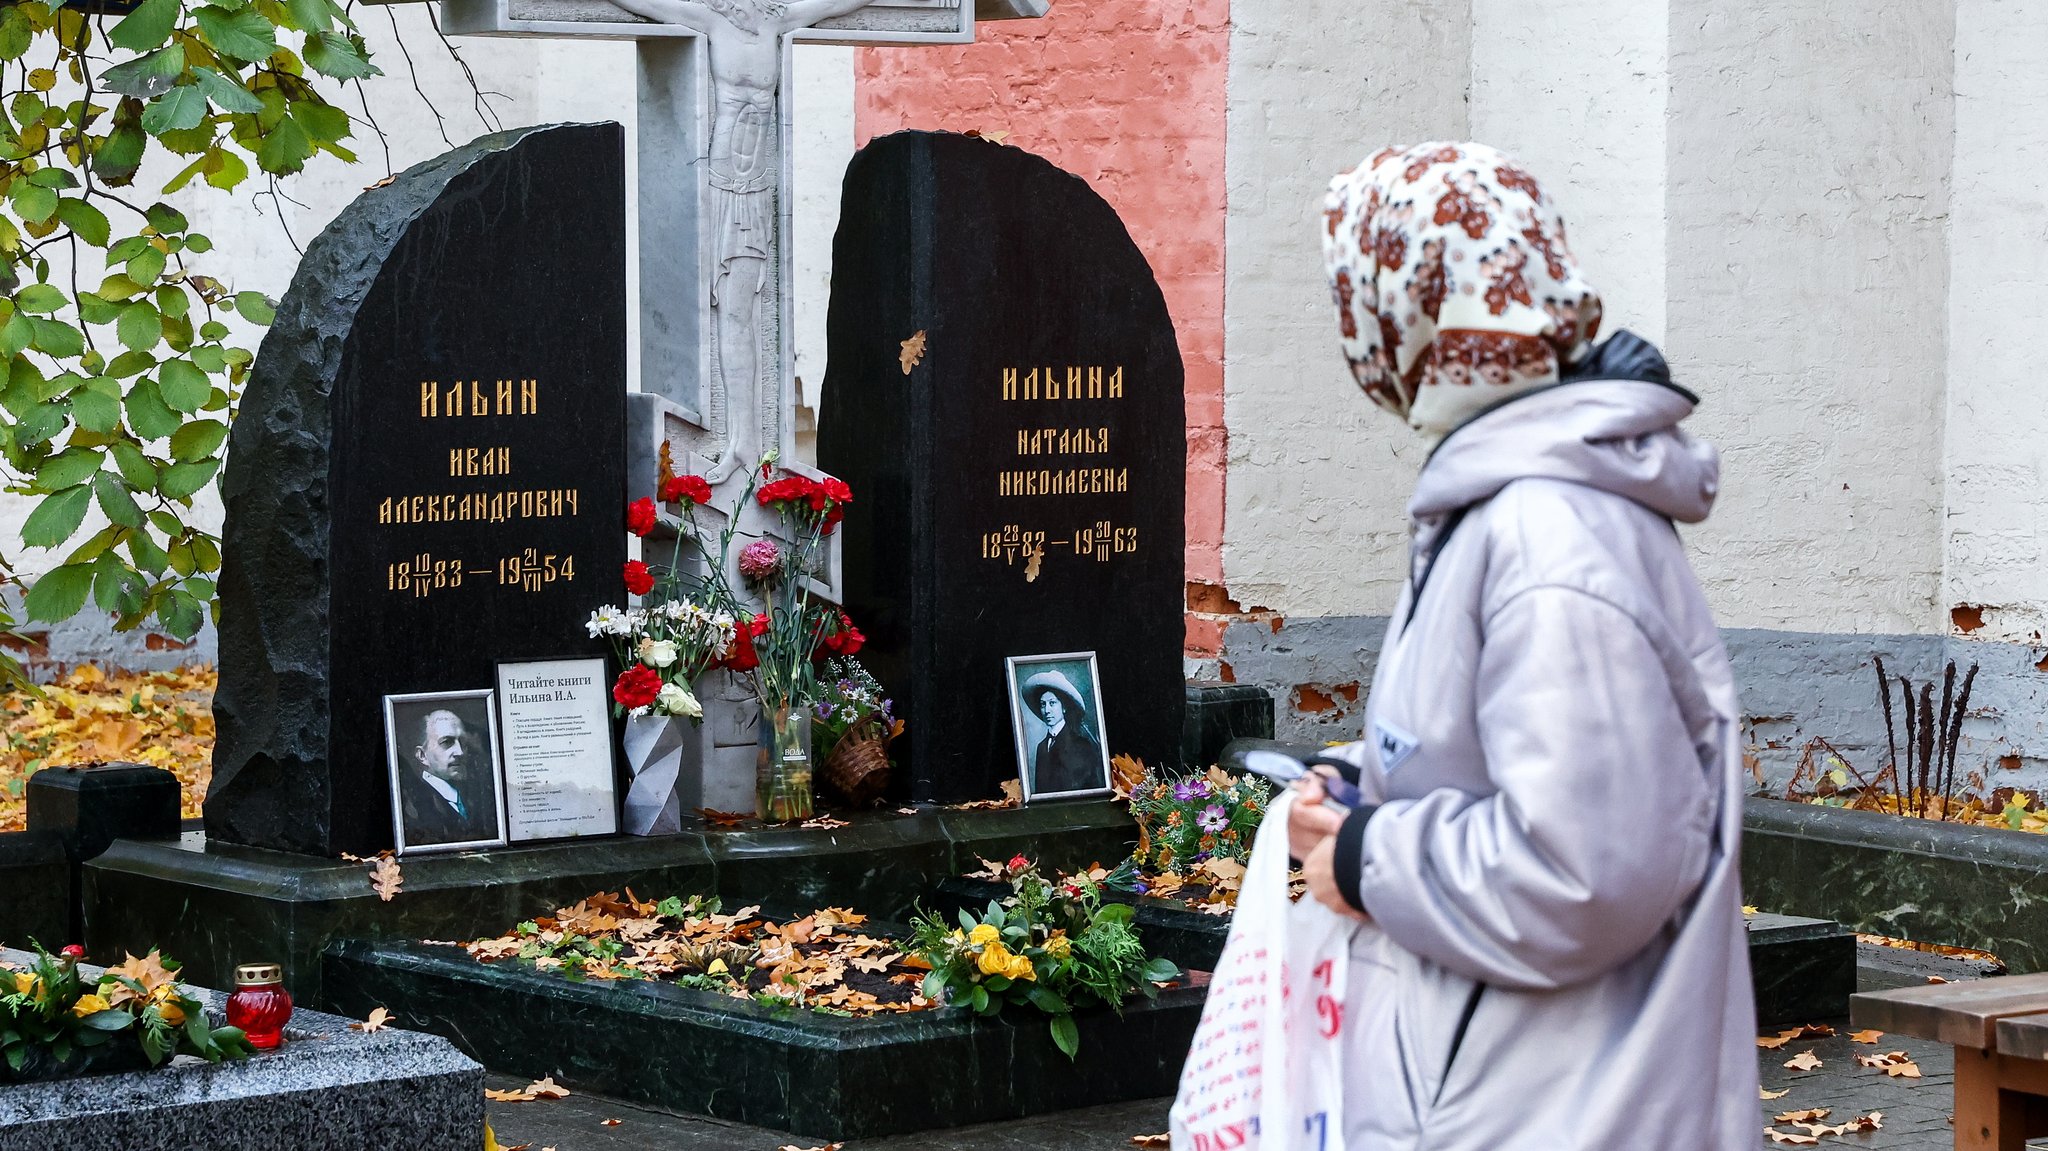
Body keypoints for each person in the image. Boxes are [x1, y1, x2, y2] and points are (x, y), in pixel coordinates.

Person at [1288, 142, 1759, 1150]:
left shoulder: (1546, 536)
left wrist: (1369, 858)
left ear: (1410, 308)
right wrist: (1357, 786)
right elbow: (1500, 759)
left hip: (1563, 1103)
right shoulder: (1504, 500)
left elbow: (1585, 869)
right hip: (1514, 1081)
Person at [398, 707, 496, 846]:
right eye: (446, 742)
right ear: (422, 755)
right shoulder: (414, 805)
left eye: (463, 742)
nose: (460, 752)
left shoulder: (476, 796)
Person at [1021, 670, 1105, 795]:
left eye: (1052, 703)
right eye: (1043, 704)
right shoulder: (1042, 747)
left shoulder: (1081, 745)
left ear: (1064, 707)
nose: (1046, 710)